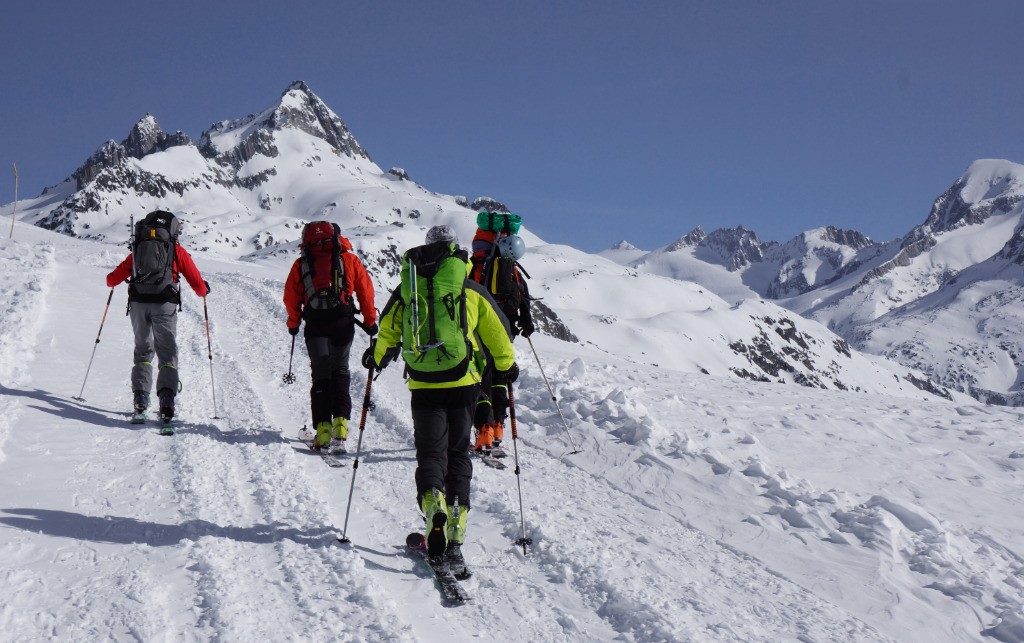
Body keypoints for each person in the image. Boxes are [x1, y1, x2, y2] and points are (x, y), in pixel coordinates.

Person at [363, 224, 516, 575]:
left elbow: (387, 329)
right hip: (463, 382)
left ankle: (433, 505)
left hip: (424, 382)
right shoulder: (468, 288)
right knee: (457, 453)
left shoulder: (408, 288)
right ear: (454, 251)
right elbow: (497, 332)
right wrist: (507, 367)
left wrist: (378, 358)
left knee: (431, 453)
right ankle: (456, 526)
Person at [105, 209, 209, 424]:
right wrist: (204, 291)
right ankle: (167, 400)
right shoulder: (176, 250)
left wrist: (114, 280)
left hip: (138, 304)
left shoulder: (138, 249)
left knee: (143, 350)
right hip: (164, 304)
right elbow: (198, 285)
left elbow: (112, 279)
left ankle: (141, 398)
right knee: (167, 352)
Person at [284, 221, 377, 453]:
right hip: (343, 324)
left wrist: (293, 324)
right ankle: (341, 427)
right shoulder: (349, 260)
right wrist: (369, 321)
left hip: (315, 326)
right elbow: (365, 291)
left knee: (321, 375)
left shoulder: (301, 263)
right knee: (341, 370)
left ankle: (323, 430)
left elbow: (292, 298)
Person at [468, 224, 535, 454]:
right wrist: (527, 325)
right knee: (500, 376)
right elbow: (525, 300)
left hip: (481, 331)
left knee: (481, 380)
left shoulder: (480, 266)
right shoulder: (514, 271)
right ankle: (498, 427)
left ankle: (483, 430)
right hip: (507, 333)